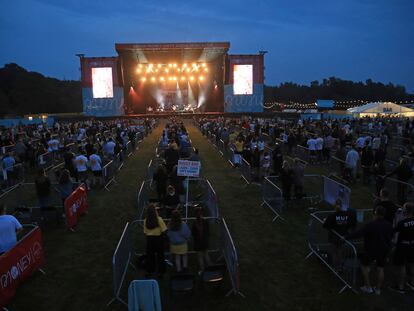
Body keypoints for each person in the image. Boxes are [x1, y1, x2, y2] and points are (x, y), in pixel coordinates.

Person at [346, 206, 394, 295]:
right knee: (380, 268)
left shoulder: (371, 225)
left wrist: (346, 237)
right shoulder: (389, 224)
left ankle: (368, 287)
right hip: (384, 250)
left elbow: (359, 233)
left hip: (372, 250)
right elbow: (391, 235)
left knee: (363, 265)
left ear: (375, 213)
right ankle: (378, 289)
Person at [323, 199, 356, 268]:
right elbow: (349, 224)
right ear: (341, 206)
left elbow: (325, 226)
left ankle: (335, 267)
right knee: (340, 250)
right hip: (342, 236)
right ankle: (340, 266)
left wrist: (325, 221)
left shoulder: (332, 215)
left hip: (334, 237)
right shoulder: (346, 215)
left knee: (334, 252)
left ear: (334, 206)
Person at [389, 202, 414, 293]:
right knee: (411, 264)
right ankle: (412, 283)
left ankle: (400, 287)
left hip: (403, 246)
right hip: (412, 245)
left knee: (401, 266)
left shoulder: (402, 223)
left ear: (405, 210)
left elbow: (394, 232)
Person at [144, 204, 167, 278]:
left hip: (149, 240)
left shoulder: (145, 220)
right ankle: (161, 272)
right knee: (160, 256)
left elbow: (145, 232)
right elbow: (164, 230)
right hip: (158, 239)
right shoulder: (159, 219)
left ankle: (150, 271)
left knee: (150, 256)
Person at [191, 207, 212, 272]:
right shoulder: (205, 221)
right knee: (206, 255)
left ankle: (202, 270)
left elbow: (193, 233)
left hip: (198, 242)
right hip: (204, 241)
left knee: (200, 257)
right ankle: (210, 268)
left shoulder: (194, 223)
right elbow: (208, 231)